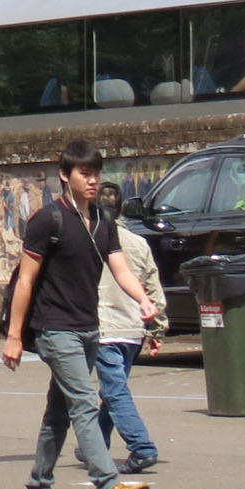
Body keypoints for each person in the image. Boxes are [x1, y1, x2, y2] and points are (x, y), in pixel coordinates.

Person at [2, 140, 159, 489]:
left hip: (89, 328)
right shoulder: (48, 220)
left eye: (95, 173)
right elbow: (25, 280)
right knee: (86, 404)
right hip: (55, 329)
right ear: (64, 176)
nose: (92, 181)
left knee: (59, 411)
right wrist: (14, 336)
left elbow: (120, 268)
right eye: (84, 174)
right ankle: (109, 487)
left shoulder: (104, 221)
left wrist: (143, 300)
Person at [92, 185, 161, 474]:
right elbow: (154, 290)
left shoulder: (92, 241)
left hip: (104, 326)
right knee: (114, 390)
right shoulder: (138, 243)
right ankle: (93, 444)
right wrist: (156, 330)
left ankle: (141, 447)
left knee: (115, 390)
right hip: (133, 328)